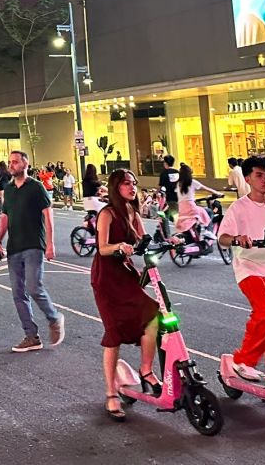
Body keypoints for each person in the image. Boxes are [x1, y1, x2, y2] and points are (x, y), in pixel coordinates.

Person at [91, 170, 160, 420]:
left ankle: (145, 370)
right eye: (126, 184)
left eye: (134, 183)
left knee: (154, 316)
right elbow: (102, 247)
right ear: (115, 187)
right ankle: (111, 393)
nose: (132, 187)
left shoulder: (133, 212)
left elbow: (143, 240)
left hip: (127, 275)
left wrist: (168, 241)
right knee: (114, 334)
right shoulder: (107, 214)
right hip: (107, 279)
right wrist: (120, 246)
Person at [217, 155, 265, 383]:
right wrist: (238, 238)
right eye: (259, 175)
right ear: (248, 178)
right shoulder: (239, 208)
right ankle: (243, 361)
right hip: (248, 268)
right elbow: (223, 238)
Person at [0, 149, 62, 352]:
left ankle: (54, 317)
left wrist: (50, 244)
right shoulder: (9, 189)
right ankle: (31, 336)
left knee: (33, 287)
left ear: (25, 164)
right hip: (14, 246)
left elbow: (48, 217)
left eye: (15, 162)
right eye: (10, 162)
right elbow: (5, 217)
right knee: (17, 293)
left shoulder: (36, 187)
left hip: (33, 244)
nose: (11, 165)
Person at [174, 164, 218, 241]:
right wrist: (217, 193)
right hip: (191, 207)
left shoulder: (178, 184)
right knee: (209, 212)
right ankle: (208, 231)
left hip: (182, 208)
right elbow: (206, 188)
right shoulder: (192, 182)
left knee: (199, 213)